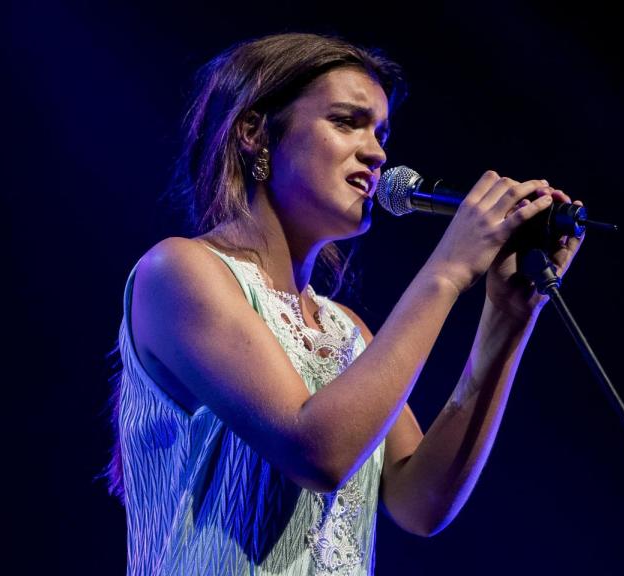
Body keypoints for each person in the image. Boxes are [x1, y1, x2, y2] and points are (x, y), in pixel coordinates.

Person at [107, 32, 583, 575]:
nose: (378, 152)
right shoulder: (179, 273)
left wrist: (509, 317)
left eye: (380, 132)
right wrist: (448, 270)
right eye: (346, 121)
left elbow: (419, 503)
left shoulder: (345, 329)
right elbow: (318, 450)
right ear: (253, 131)